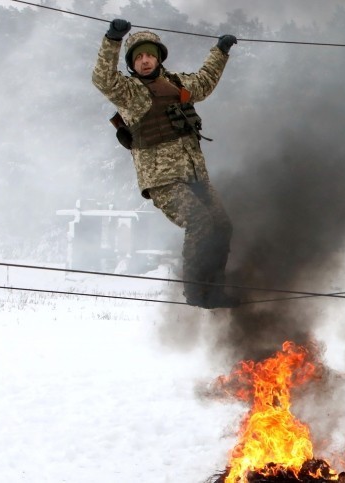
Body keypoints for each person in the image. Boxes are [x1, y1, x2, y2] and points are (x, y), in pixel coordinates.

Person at [92, 19, 240, 309]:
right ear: (132, 64)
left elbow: (205, 81)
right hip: (162, 179)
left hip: (195, 174)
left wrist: (220, 51)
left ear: (158, 58)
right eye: (138, 57)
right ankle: (197, 293)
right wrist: (113, 39)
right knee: (198, 221)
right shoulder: (130, 93)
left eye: (149, 55)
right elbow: (103, 79)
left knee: (221, 226)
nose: (144, 61)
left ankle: (214, 289)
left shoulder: (177, 84)